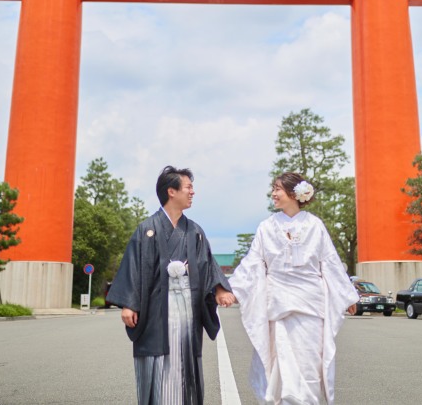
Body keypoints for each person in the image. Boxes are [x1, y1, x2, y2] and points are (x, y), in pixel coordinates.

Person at [106, 166, 234, 405]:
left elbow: (207, 264)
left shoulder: (194, 231)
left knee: (185, 362)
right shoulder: (147, 229)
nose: (193, 192)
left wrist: (220, 288)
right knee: (157, 362)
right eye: (188, 187)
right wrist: (129, 304)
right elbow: (133, 267)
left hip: (187, 309)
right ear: (171, 191)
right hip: (155, 310)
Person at [229, 172, 359, 404]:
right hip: (278, 304)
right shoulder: (267, 227)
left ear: (293, 193)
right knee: (281, 366)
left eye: (277, 188)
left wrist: (347, 295)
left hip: (310, 305)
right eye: (273, 188)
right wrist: (233, 289)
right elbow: (253, 262)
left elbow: (329, 262)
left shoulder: (314, 225)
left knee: (308, 366)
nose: (273, 193)